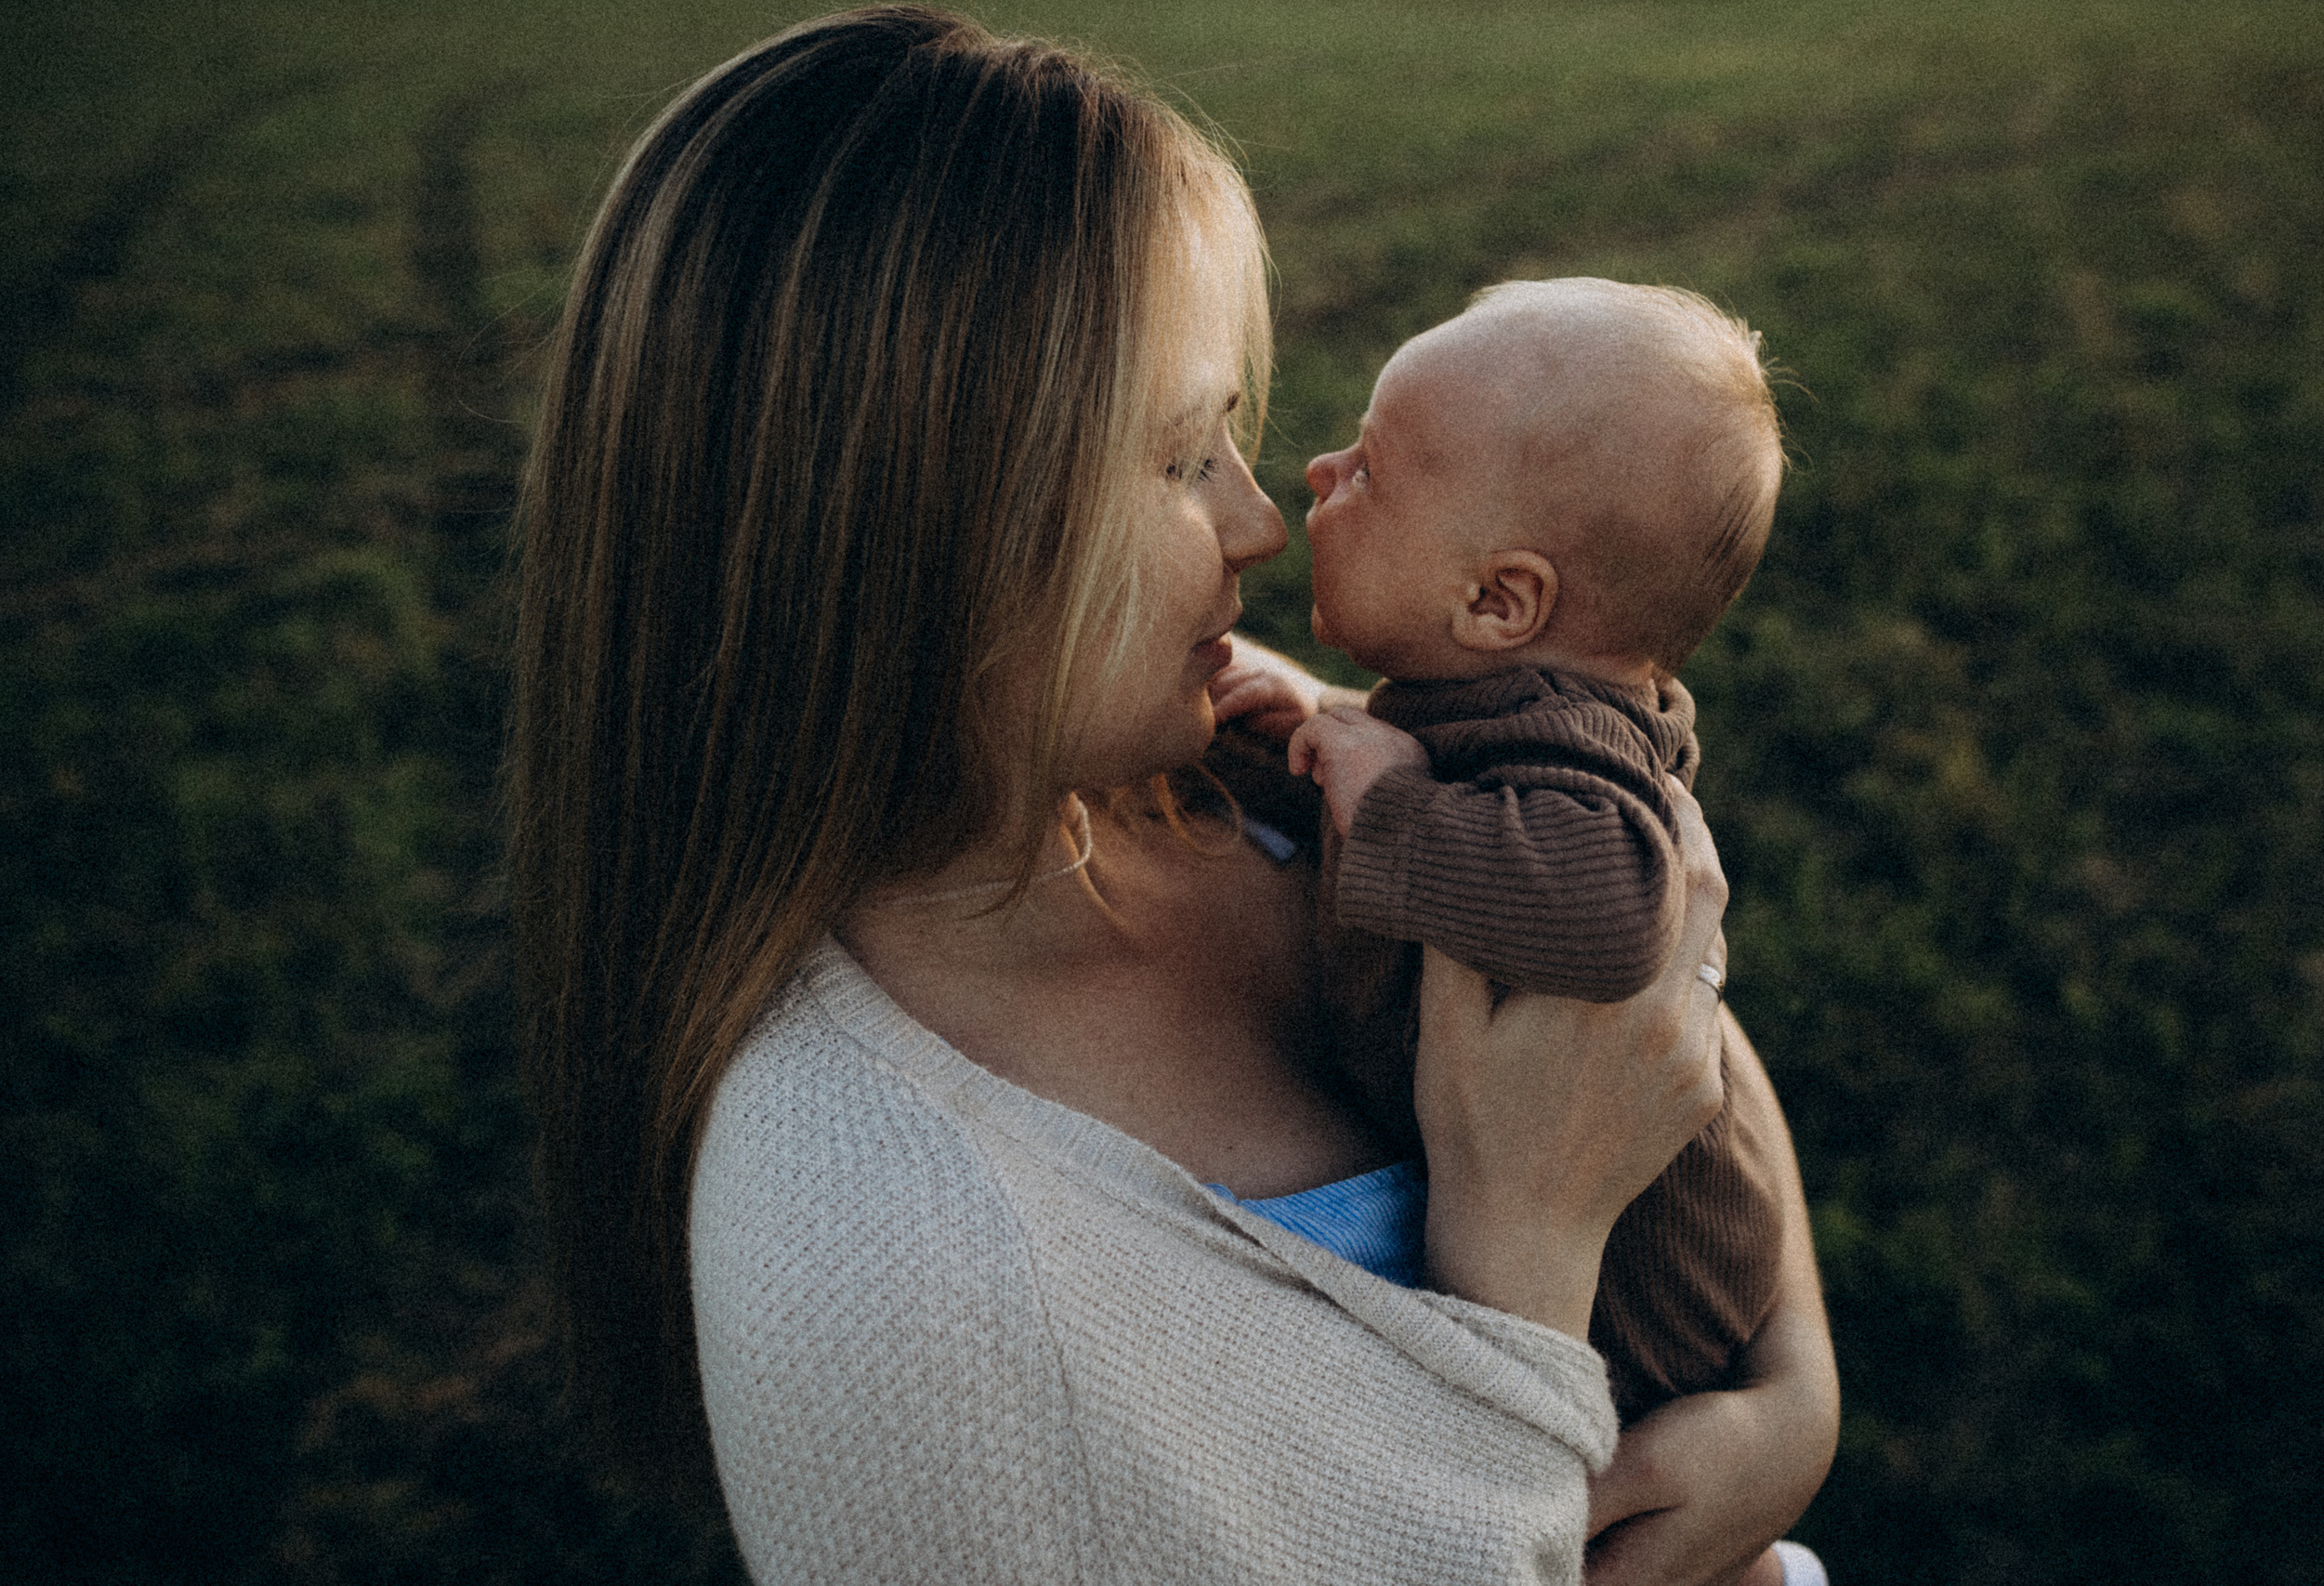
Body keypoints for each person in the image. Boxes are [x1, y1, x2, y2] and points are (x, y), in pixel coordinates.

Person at [508, 7, 1837, 1583]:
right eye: (1183, 457)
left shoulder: (1213, 745)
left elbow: (1673, 994)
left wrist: (1787, 1408)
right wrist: (1526, 1250)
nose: (1263, 521)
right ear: (922, 530)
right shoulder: (884, 1256)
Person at [1214, 281, 1792, 1438]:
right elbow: (1448, 774)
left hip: (1638, 1300)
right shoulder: (1496, 706)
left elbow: (1614, 908)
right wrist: (1319, 716)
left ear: (1495, 601)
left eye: (1370, 470)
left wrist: (1380, 798)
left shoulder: (1569, 744)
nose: (1321, 473)